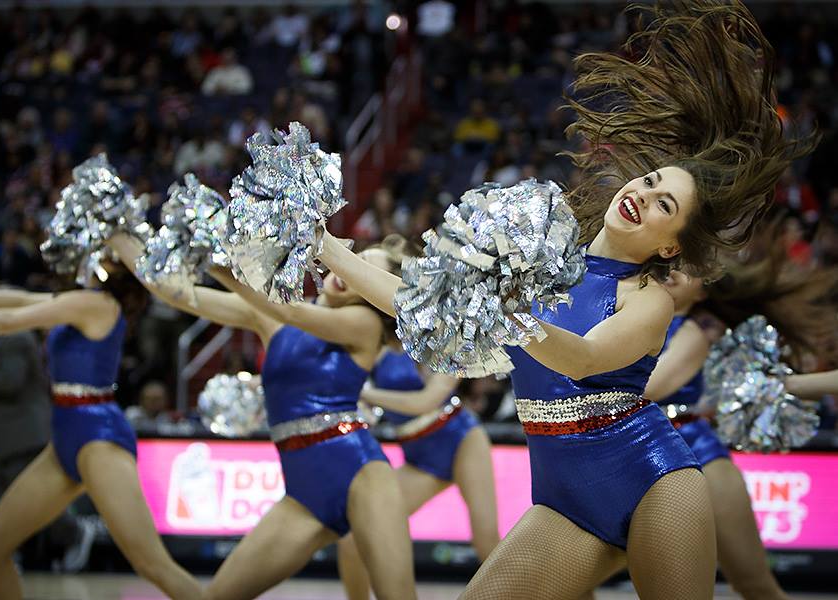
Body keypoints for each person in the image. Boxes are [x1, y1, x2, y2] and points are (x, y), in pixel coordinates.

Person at [312, 2, 813, 598]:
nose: (644, 196)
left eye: (665, 207)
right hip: (562, 495)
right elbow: (424, 305)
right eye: (651, 182)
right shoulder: (547, 259)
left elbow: (582, 360)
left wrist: (504, 312)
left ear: (672, 247)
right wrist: (327, 247)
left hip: (653, 479)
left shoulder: (647, 298)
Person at [106, 232, 417, 600]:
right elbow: (176, 292)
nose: (352, 270)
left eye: (366, 272)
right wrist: (118, 234)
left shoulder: (362, 325)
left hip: (363, 476)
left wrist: (220, 260)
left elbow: (291, 309)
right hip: (303, 493)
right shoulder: (271, 318)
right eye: (358, 258)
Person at [0, 271, 202, 600]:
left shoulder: (96, 303)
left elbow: (11, 319)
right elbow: (17, 298)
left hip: (99, 438)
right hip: (65, 435)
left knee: (153, 566)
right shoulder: (80, 301)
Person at [649, 250, 837, 600]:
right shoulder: (634, 315)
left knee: (754, 585)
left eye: (686, 270)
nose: (672, 273)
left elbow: (649, 388)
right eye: (669, 265)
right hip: (632, 453)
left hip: (694, 453)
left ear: (703, 292)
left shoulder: (701, 326)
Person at [337, 251, 500, 600]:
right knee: (353, 539)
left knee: (486, 541)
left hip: (460, 438)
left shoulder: (428, 326)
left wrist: (368, 394)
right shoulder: (364, 333)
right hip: (418, 455)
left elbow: (426, 401)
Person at [0, 332, 91, 572]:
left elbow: (9, 381)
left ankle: (72, 532)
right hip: (9, 439)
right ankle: (5, 554)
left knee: (32, 501)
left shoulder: (16, 339)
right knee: (11, 502)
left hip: (23, 436)